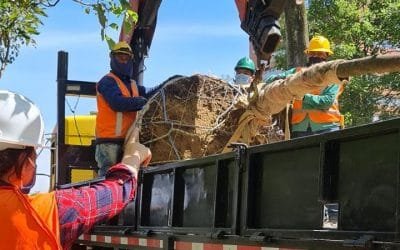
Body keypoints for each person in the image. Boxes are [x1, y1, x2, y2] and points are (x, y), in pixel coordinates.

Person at [0, 90, 151, 249]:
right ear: (23, 162)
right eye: (34, 156)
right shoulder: (45, 212)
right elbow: (115, 192)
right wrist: (132, 156)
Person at [266, 35, 344, 138]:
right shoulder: (297, 72)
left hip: (327, 127)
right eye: (312, 53)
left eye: (320, 53)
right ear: (308, 54)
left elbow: (327, 101)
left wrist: (303, 97)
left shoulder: (332, 76)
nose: (316, 56)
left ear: (326, 55)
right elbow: (270, 80)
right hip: (299, 128)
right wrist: (287, 80)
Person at [96, 41, 148, 176]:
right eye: (120, 57)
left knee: (126, 177)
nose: (124, 61)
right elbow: (117, 103)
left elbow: (149, 92)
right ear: (112, 58)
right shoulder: (107, 81)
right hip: (109, 142)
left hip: (128, 140)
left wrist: (170, 83)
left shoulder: (133, 85)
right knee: (108, 179)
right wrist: (140, 102)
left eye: (127, 58)